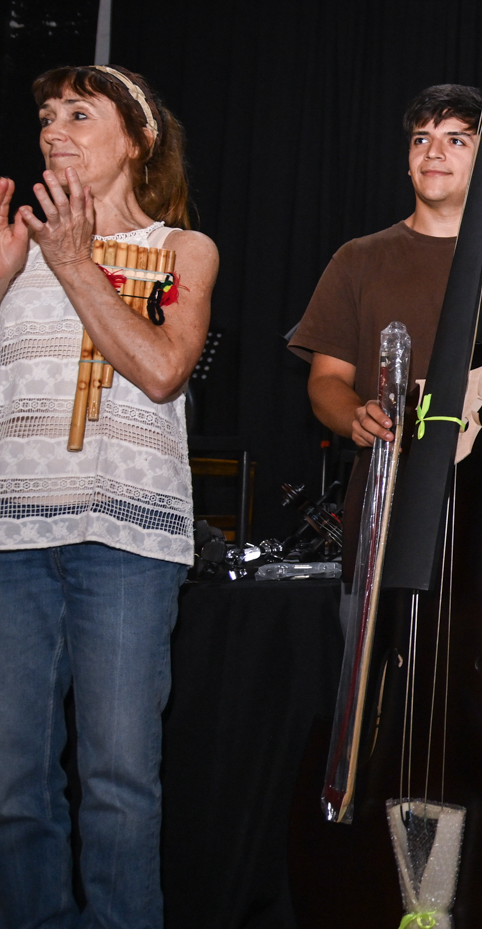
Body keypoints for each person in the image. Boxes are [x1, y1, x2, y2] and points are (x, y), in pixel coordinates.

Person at [0, 65, 218, 928]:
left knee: (118, 782)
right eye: (47, 116)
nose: (54, 130)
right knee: (12, 784)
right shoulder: (16, 245)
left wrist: (72, 263)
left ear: (138, 139)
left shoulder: (181, 250)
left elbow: (163, 370)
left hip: (125, 543)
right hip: (13, 537)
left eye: (79, 114)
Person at [290, 83, 482, 464]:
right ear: (408, 161)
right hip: (390, 476)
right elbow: (327, 380)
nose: (433, 152)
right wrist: (355, 416)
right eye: (421, 139)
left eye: (456, 140)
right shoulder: (356, 259)